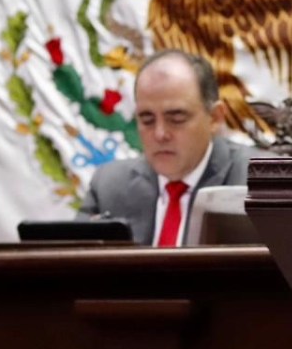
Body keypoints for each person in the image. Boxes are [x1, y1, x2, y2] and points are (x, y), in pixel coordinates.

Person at [79, 50, 251, 245]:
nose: (160, 134)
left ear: (214, 117)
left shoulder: (258, 184)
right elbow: (73, 260)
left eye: (176, 118)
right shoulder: (109, 186)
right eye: (147, 120)